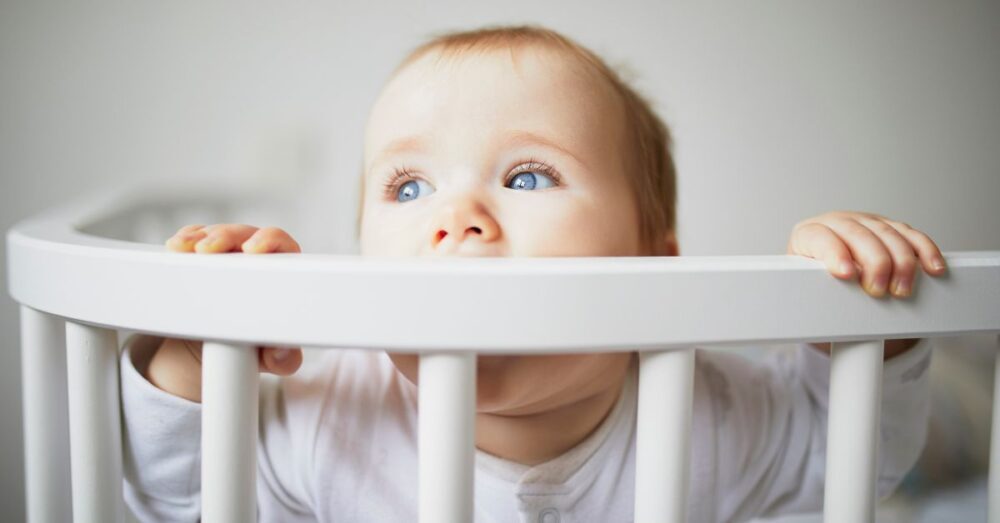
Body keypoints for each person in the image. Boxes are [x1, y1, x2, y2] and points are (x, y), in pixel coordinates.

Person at [122, 25, 945, 522]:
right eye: (409, 186)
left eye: (527, 176)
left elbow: (848, 460)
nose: (458, 213)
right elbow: (182, 505)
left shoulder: (713, 410)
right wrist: (196, 359)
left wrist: (847, 304)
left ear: (655, 260)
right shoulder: (327, 412)